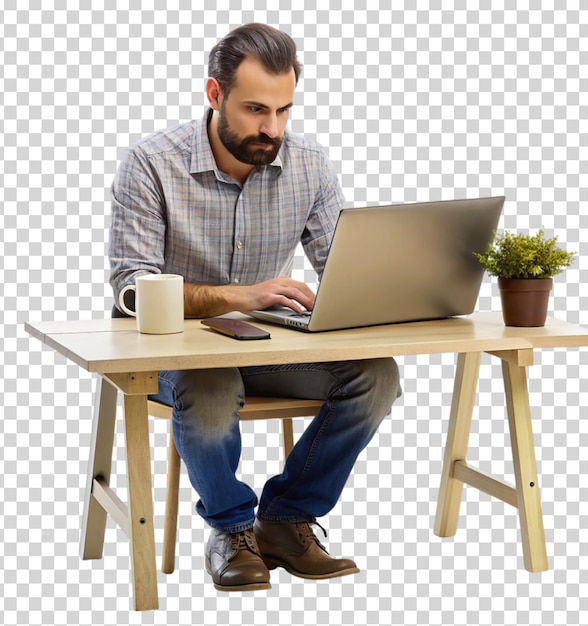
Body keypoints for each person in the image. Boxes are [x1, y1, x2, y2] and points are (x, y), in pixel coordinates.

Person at [109, 23, 401, 592]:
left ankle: (286, 519)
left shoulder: (310, 165)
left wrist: (382, 288)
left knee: (376, 377)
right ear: (214, 95)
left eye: (284, 110)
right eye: (254, 109)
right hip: (173, 357)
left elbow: (341, 267)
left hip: (269, 350)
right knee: (210, 385)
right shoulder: (150, 163)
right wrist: (237, 296)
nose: (272, 128)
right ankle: (232, 528)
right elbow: (130, 288)